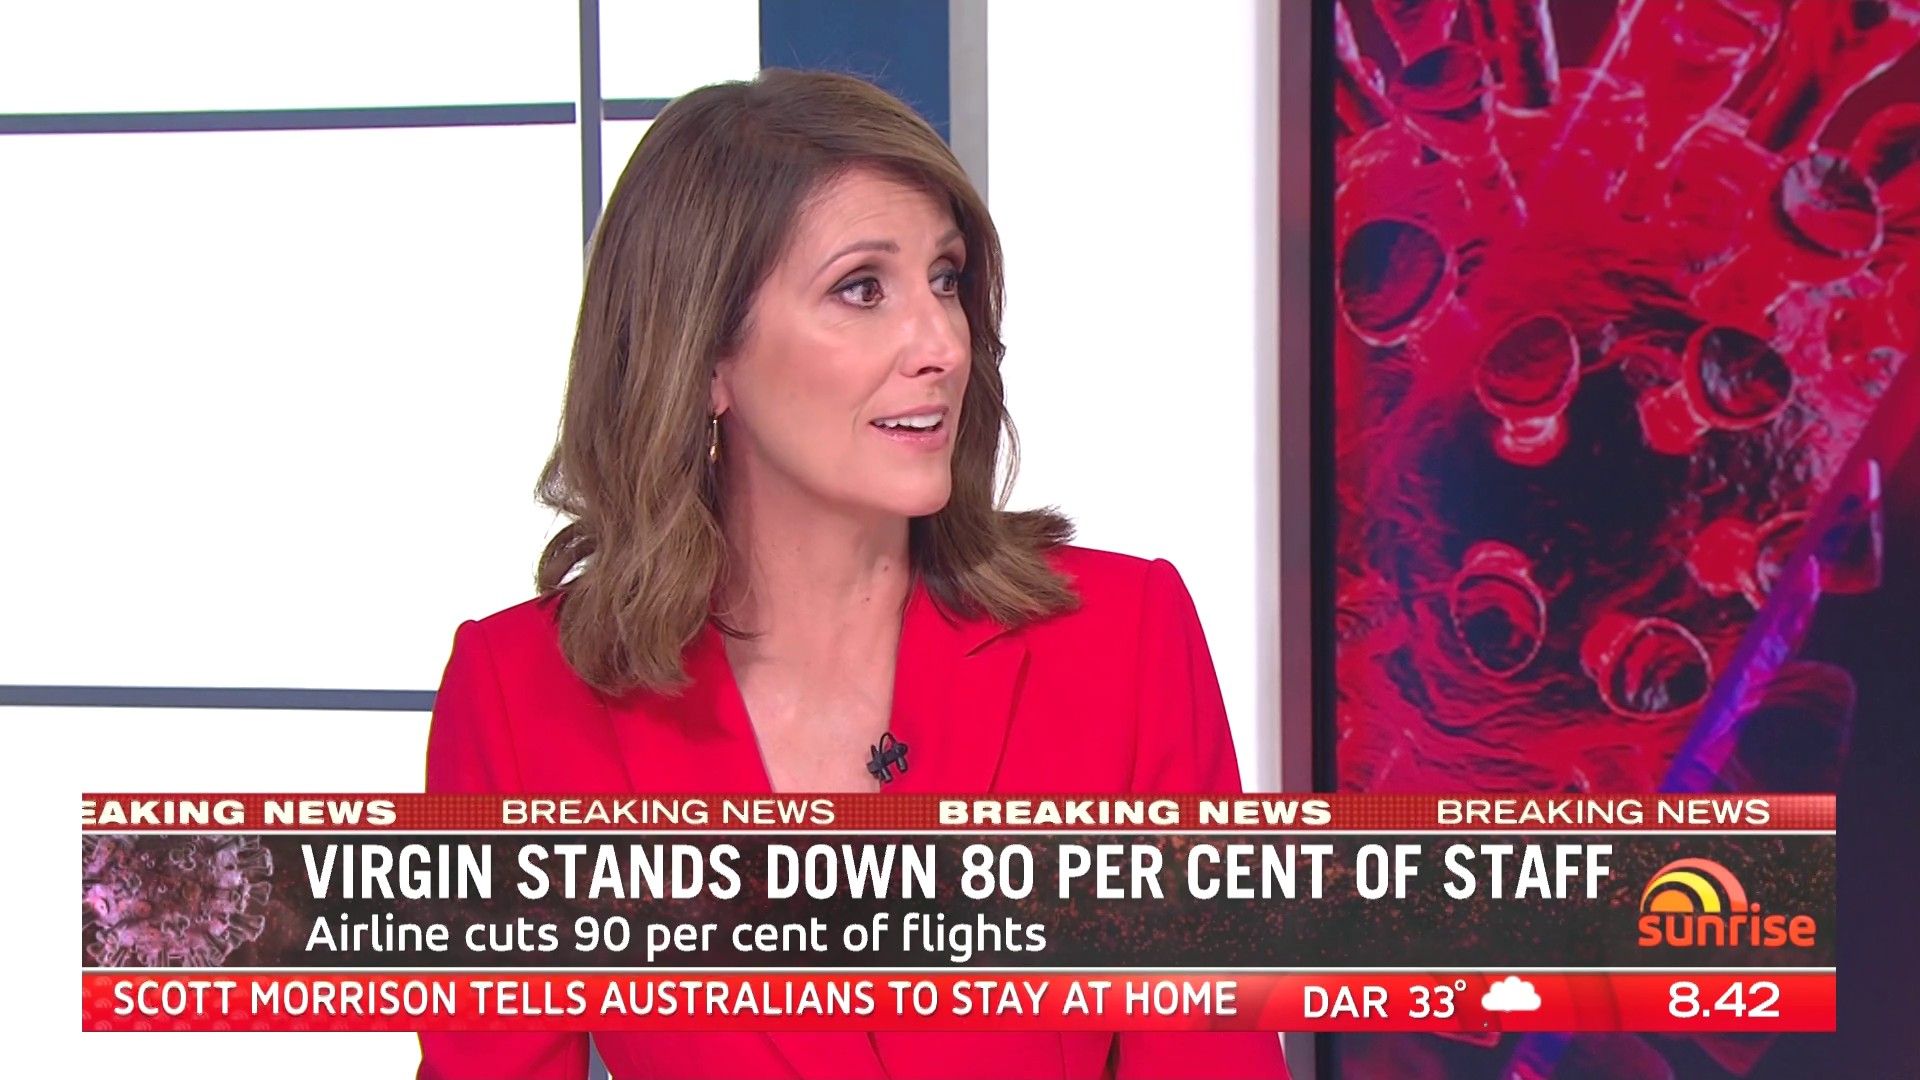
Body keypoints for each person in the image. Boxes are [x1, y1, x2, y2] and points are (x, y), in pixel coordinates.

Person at [420, 67, 1290, 1080]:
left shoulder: (1122, 641)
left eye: (946, 279)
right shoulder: (524, 697)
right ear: (706, 357)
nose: (942, 344)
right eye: (862, 288)